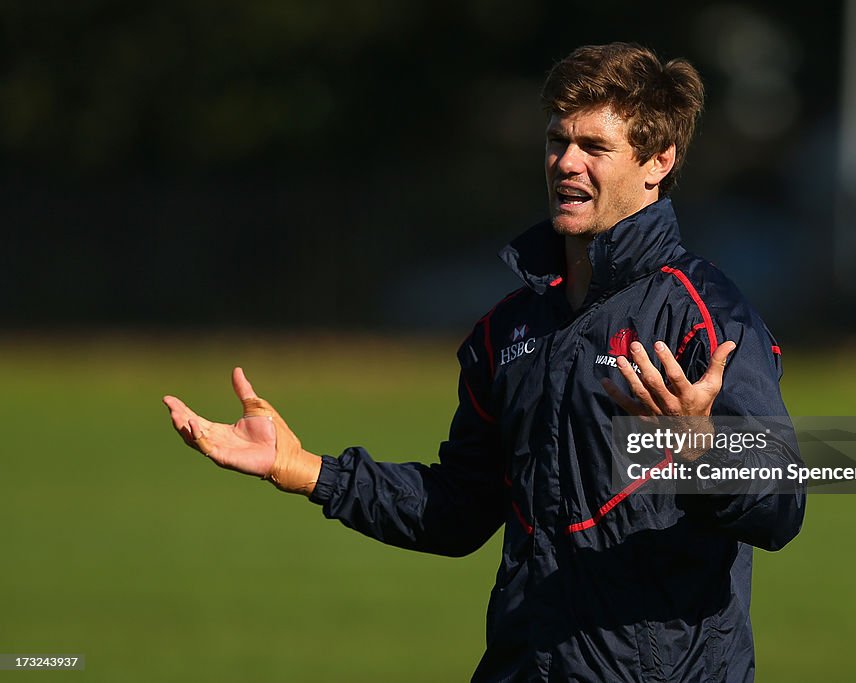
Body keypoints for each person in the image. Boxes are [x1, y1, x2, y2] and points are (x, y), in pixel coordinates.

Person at [163, 42, 806, 682]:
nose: (566, 164)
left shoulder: (704, 314)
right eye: (558, 140)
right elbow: (458, 510)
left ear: (657, 162)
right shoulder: (509, 329)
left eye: (594, 147)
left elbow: (783, 504)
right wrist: (305, 469)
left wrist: (704, 453)